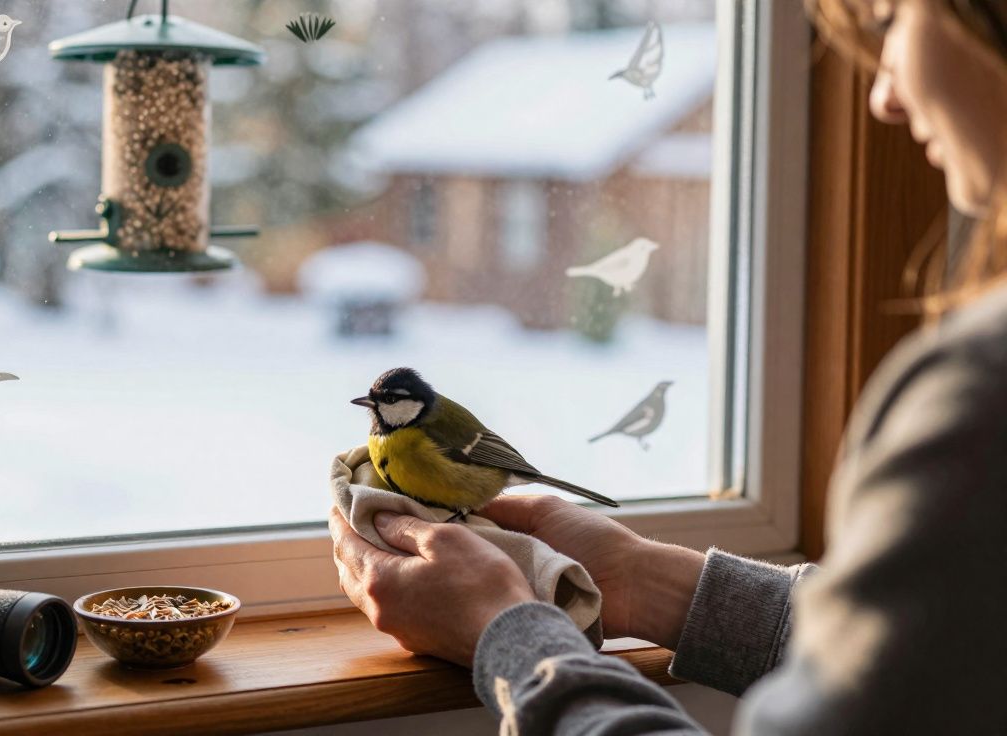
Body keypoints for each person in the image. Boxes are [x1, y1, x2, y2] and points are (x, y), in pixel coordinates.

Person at [329, 1, 1007, 733]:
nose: (884, 95)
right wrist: (643, 584)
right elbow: (932, 643)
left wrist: (510, 632)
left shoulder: (976, 402)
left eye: (889, 18)